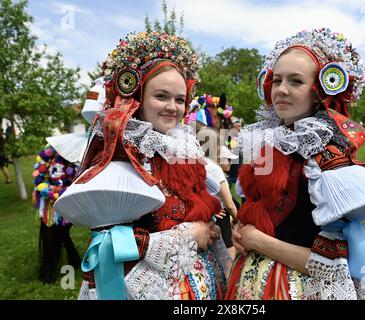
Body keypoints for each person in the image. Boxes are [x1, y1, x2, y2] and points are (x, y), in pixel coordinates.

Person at [226, 28, 365, 300]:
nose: (282, 90)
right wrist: (241, 234)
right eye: (277, 81)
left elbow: (333, 265)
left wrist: (258, 241)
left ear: (318, 91)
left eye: (296, 81)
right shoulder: (266, 145)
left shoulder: (326, 159)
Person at [58, 32, 229, 300]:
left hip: (196, 277)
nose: (173, 107)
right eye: (161, 96)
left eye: (180, 99)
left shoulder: (183, 145)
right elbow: (109, 241)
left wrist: (206, 227)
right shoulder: (119, 149)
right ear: (138, 96)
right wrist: (190, 235)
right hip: (145, 285)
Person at [32, 143, 82, 283]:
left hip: (66, 203)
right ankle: (50, 270)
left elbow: (77, 181)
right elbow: (39, 180)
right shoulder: (47, 156)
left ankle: (72, 261)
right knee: (50, 236)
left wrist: (61, 190)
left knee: (62, 233)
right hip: (49, 205)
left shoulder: (73, 160)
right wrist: (50, 190)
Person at [198, 127, 238, 273]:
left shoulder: (197, 164)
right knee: (229, 266)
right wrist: (239, 220)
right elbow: (229, 204)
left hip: (206, 220)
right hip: (221, 221)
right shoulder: (214, 168)